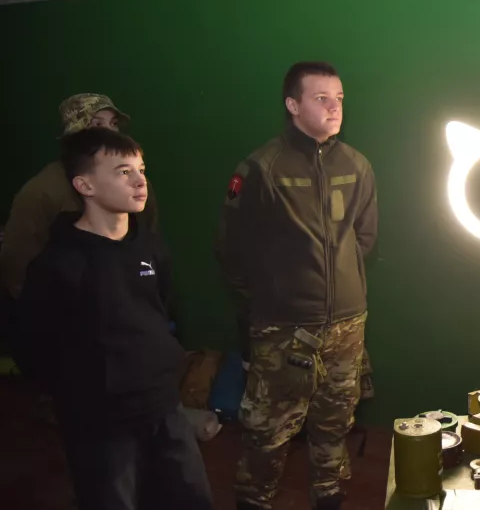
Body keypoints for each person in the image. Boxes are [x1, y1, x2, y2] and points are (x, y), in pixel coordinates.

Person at [16, 127, 212, 510]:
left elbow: (164, 310)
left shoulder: (150, 246)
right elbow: (33, 345)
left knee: (192, 498)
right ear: (84, 185)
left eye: (142, 169)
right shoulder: (59, 265)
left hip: (162, 405)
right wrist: (80, 393)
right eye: (124, 171)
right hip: (100, 421)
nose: (141, 181)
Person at [217, 61, 378, 510]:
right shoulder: (261, 168)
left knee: (335, 423)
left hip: (347, 323)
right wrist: (274, 296)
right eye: (321, 98)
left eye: (340, 98)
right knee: (268, 433)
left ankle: (329, 497)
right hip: (284, 328)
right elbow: (231, 249)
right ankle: (255, 502)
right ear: (293, 105)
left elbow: (364, 238)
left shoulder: (357, 165)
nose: (334, 108)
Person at [0, 93, 160, 302]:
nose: (110, 132)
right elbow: (18, 262)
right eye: (97, 124)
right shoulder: (42, 192)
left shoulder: (139, 184)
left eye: (113, 124)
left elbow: (151, 245)